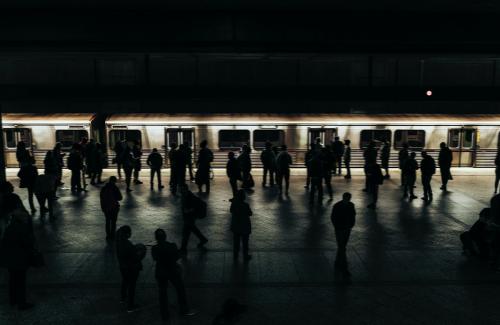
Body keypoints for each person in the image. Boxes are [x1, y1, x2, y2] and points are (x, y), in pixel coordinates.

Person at [151, 228, 197, 321]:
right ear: (165, 236)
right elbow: (177, 256)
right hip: (172, 271)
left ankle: (165, 315)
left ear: (156, 238)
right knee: (180, 289)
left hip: (161, 272)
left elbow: (155, 258)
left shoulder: (154, 248)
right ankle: (184, 309)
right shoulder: (172, 246)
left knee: (162, 293)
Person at [1, 209, 35, 310]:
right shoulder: (22, 228)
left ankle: (13, 300)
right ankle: (22, 303)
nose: (27, 218)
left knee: (13, 280)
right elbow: (28, 243)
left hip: (10, 258)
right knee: (20, 281)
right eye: (25, 217)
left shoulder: (9, 227)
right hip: (20, 258)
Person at [116, 225, 142, 312]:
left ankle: (123, 298)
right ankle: (130, 305)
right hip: (130, 268)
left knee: (125, 281)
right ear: (127, 234)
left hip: (122, 267)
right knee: (132, 286)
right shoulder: (128, 245)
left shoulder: (119, 242)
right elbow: (135, 257)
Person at [331, 192, 356, 277]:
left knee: (341, 246)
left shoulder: (338, 205)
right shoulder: (349, 205)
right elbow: (353, 216)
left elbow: (333, 217)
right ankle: (343, 267)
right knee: (342, 247)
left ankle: (338, 262)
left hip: (343, 228)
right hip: (342, 228)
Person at [180, 185, 208, 255]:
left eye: (182, 189)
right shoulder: (185, 196)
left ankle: (183, 248)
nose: (181, 191)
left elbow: (193, 208)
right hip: (188, 217)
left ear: (185, 190)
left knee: (186, 233)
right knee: (192, 229)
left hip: (190, 217)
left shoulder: (190, 197)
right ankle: (203, 239)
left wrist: (188, 211)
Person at [230, 190, 252, 261]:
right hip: (245, 226)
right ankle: (245, 255)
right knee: (245, 242)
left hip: (236, 226)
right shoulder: (246, 205)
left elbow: (231, 210)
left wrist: (233, 201)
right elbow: (250, 213)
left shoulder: (234, 205)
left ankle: (235, 255)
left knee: (236, 242)